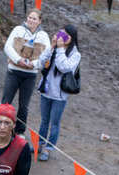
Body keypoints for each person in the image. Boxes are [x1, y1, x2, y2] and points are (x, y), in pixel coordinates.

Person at [1, 8, 50, 137]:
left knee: (24, 105)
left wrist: (33, 64)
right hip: (14, 71)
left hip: (30, 75)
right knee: (6, 101)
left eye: (34, 18)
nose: (31, 20)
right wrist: (18, 60)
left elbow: (46, 54)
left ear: (39, 21)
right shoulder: (18, 30)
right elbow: (7, 46)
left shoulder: (43, 36)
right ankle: (0, 126)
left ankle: (20, 131)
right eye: (29, 17)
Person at [35, 25, 80, 162]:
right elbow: (41, 62)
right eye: (61, 33)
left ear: (71, 38)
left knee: (54, 123)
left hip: (60, 96)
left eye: (66, 35)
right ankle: (40, 144)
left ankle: (48, 149)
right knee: (44, 121)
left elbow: (64, 67)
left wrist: (60, 49)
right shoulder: (55, 48)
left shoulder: (75, 54)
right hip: (46, 90)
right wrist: (52, 47)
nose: (62, 37)